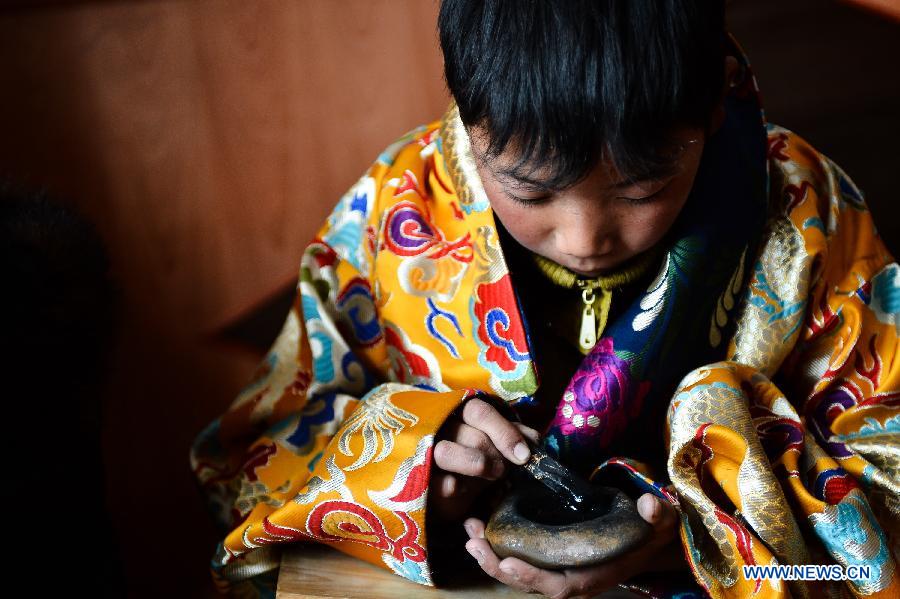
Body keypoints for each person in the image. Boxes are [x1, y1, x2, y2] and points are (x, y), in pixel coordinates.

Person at [190, 1, 900, 597]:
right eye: (530, 190)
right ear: (471, 124)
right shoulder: (396, 211)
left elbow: (887, 499)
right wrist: (409, 464)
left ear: (712, 109)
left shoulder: (808, 215)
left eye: (642, 189)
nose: (585, 238)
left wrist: (699, 535)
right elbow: (249, 462)